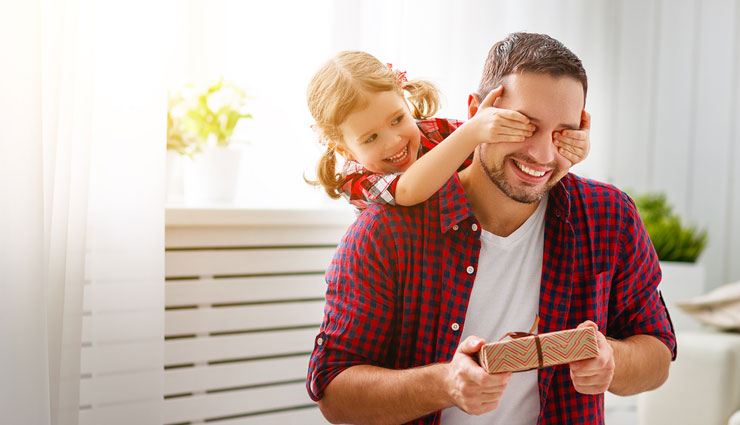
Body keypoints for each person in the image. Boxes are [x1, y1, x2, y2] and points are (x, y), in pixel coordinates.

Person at [306, 32, 677, 425]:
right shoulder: (384, 232)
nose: (543, 154)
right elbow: (335, 393)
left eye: (562, 132)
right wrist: (445, 383)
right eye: (524, 126)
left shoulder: (608, 216)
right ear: (477, 112)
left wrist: (611, 359)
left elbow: (658, 356)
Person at [306, 50, 590, 212]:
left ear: (405, 100)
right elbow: (406, 190)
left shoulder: (435, 132)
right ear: (344, 149)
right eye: (370, 138)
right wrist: (471, 132)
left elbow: (497, 154)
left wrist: (565, 148)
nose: (394, 140)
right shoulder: (357, 179)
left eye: (396, 119)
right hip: (410, 264)